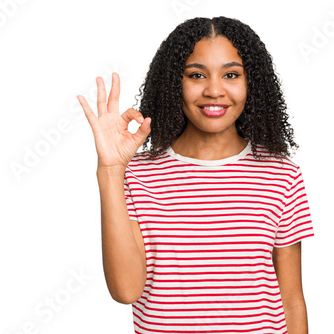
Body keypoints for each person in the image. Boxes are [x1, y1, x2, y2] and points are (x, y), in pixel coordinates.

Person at [77, 16, 314, 334]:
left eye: (231, 74)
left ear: (251, 82)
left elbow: (292, 300)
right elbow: (126, 291)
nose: (214, 90)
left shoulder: (281, 175)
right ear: (175, 83)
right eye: (196, 75)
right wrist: (110, 171)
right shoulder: (136, 175)